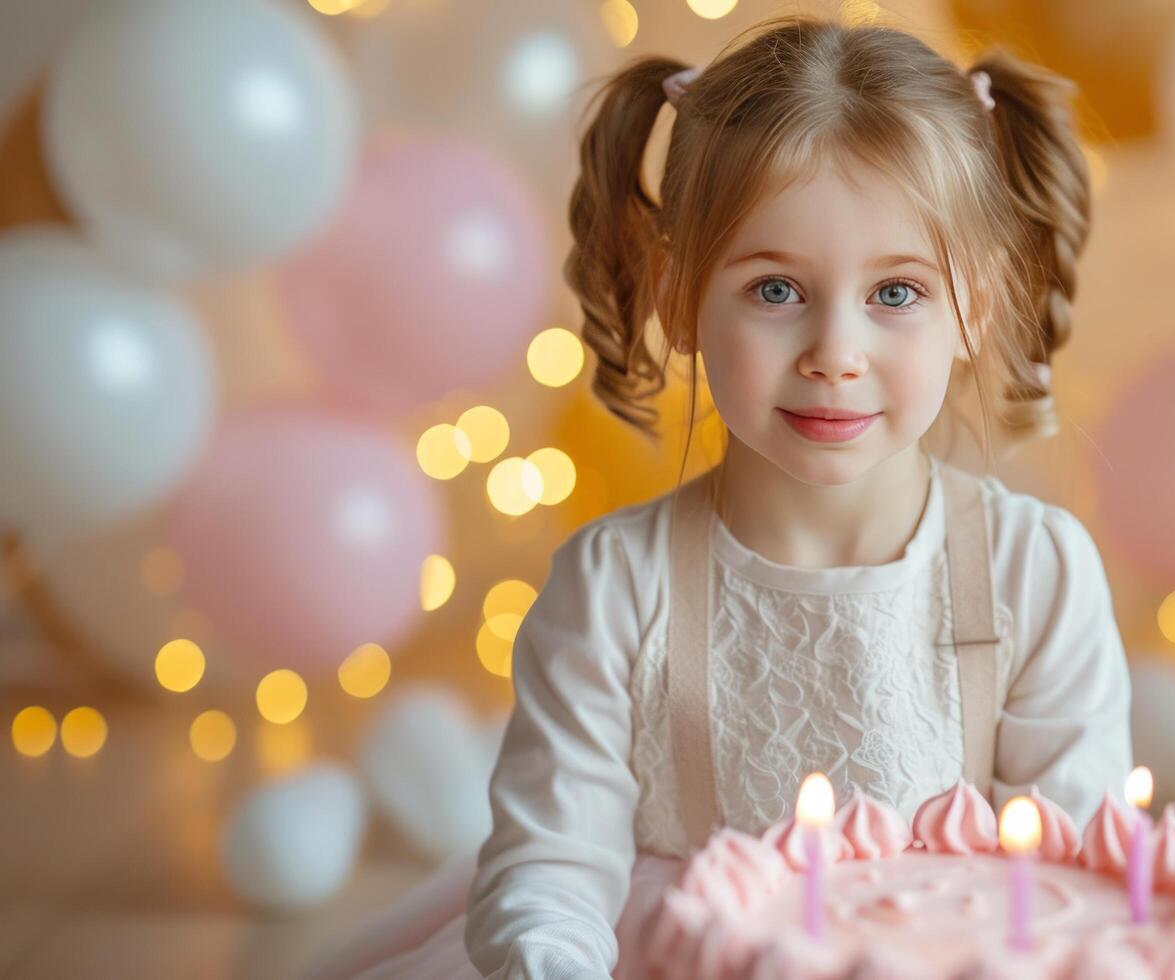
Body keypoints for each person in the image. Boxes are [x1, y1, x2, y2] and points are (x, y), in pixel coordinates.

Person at [306, 12, 1130, 979]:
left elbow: (1072, 882)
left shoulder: (1034, 573)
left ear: (975, 307)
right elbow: (557, 865)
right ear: (677, 294)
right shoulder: (617, 586)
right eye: (775, 290)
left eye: (896, 293)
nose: (835, 354)